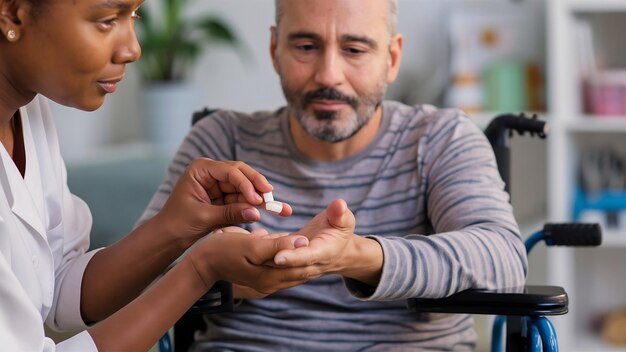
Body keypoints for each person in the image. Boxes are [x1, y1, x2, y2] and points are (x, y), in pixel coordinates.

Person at [138, 0, 529, 350]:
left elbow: (504, 261)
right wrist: (225, 272)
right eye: (306, 47)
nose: (328, 76)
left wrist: (357, 256)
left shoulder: (441, 138)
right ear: (275, 50)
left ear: (392, 58)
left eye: (354, 50)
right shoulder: (222, 141)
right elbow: (134, 279)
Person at [0, 0, 317, 351]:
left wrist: (177, 227)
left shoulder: (28, 110)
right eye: (107, 20)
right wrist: (200, 270)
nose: (133, 49)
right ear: (12, 12)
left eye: (133, 15)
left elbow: (58, 287)